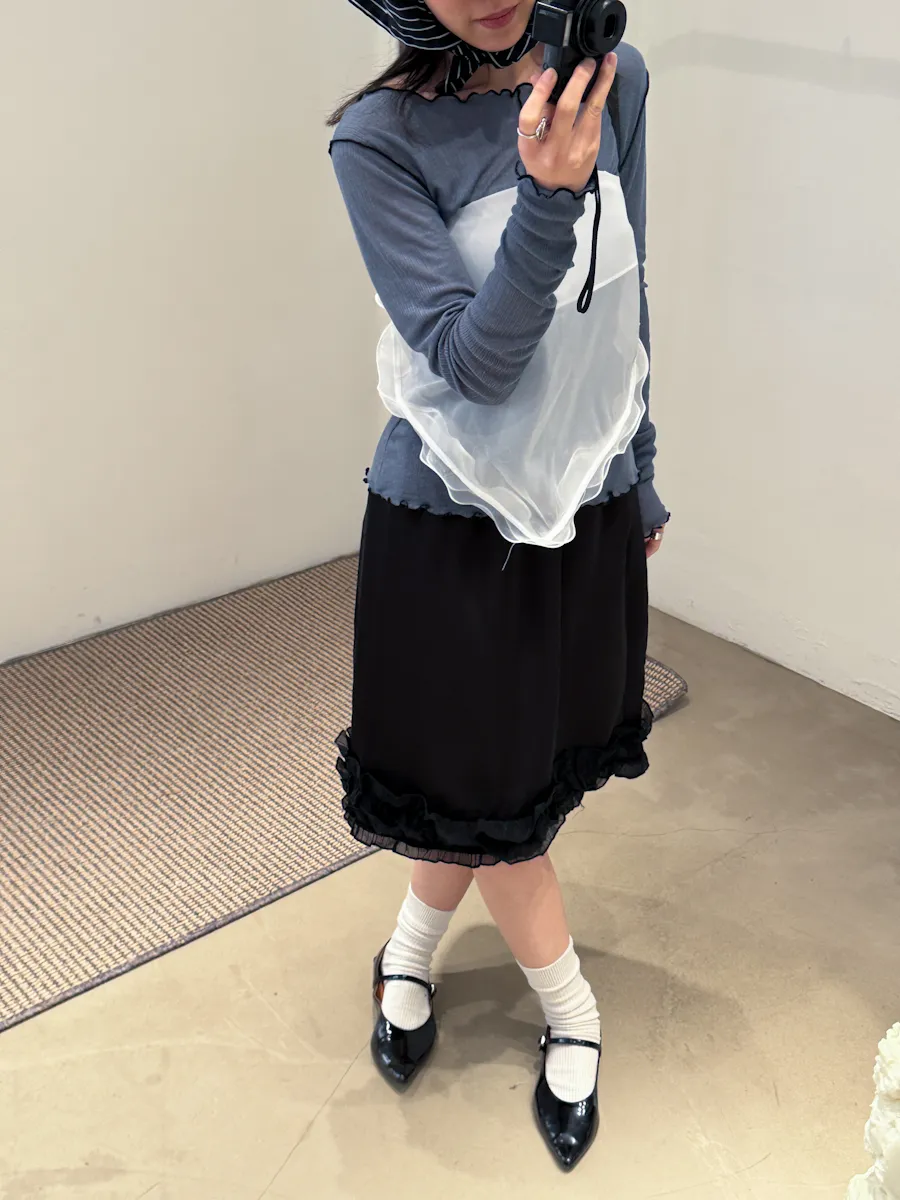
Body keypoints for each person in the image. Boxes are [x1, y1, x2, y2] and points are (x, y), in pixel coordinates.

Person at [329, 0, 667, 1172]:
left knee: (495, 791)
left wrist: (641, 472)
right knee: (497, 806)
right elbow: (475, 366)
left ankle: (408, 954)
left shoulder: (613, 82)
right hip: (450, 527)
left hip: (583, 505)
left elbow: (626, 300)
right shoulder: (378, 141)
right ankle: (572, 1016)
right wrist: (548, 192)